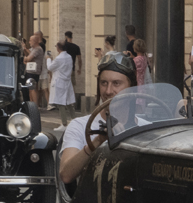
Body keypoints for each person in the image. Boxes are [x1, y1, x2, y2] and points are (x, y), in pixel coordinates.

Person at [60, 52, 137, 185]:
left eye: (116, 83)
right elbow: (65, 175)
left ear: (131, 88)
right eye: (104, 83)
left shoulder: (146, 127)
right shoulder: (79, 125)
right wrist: (98, 141)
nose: (108, 91)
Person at [46, 41, 75, 123]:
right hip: (67, 81)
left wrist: (48, 59)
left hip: (59, 81)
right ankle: (74, 119)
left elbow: (50, 67)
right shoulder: (69, 57)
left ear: (58, 48)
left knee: (61, 103)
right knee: (69, 102)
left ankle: (64, 123)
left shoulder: (58, 58)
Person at [23, 31, 46, 109]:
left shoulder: (37, 49)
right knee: (30, 89)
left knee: (33, 89)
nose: (29, 42)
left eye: (30, 40)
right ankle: (31, 105)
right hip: (30, 70)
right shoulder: (34, 49)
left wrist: (24, 59)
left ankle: (35, 106)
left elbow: (29, 58)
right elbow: (28, 57)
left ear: (35, 41)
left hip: (33, 71)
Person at [63, 31, 83, 97]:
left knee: (64, 86)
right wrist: (79, 68)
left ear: (66, 37)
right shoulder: (76, 47)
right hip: (72, 69)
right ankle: (72, 103)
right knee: (72, 86)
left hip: (63, 69)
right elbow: (79, 59)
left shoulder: (63, 46)